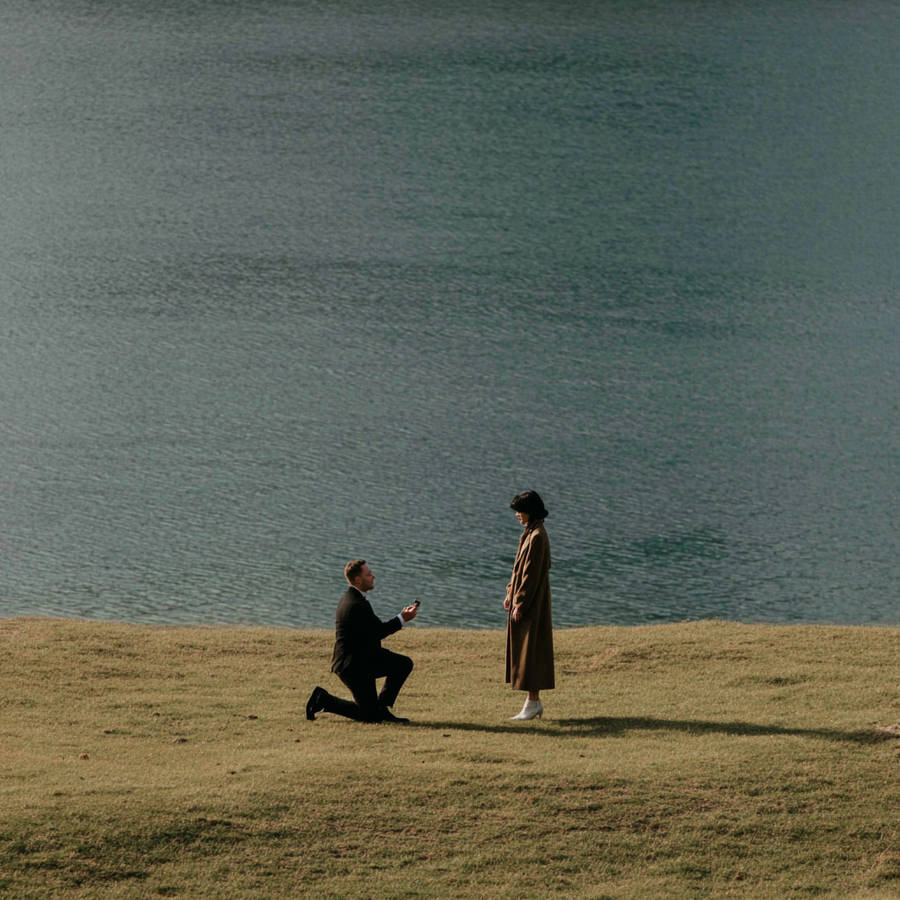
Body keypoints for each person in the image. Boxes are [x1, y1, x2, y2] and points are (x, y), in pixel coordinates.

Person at [306, 559, 419, 724]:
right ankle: (323, 699)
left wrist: (401, 618)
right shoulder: (355, 604)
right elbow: (378, 632)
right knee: (371, 717)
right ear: (358, 579)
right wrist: (402, 618)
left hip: (364, 660)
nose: (373, 576)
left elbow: (372, 632)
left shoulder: (355, 598)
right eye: (368, 574)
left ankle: (381, 707)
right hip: (352, 666)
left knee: (403, 664)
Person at [503, 490, 554, 720]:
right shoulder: (530, 533)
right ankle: (532, 702)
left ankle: (532, 703)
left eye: (519, 511)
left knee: (530, 652)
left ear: (529, 511)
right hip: (526, 601)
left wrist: (520, 602)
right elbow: (518, 569)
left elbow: (531, 575)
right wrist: (509, 594)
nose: (517, 515)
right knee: (527, 651)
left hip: (532, 604)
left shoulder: (536, 536)